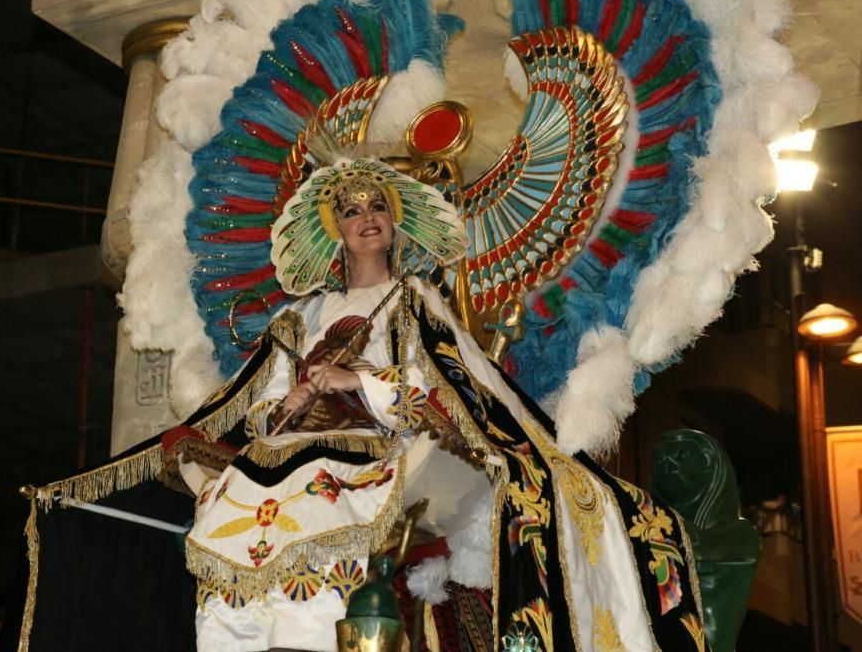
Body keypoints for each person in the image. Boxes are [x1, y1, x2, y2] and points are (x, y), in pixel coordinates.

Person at [169, 158, 707, 652]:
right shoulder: (302, 315)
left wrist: (357, 382)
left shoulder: (415, 302)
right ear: (335, 229)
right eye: (351, 210)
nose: (367, 217)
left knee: (321, 499)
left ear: (396, 221)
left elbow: (442, 390)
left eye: (378, 205)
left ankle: (316, 636)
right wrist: (288, 401)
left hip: (372, 447)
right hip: (287, 448)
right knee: (230, 499)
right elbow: (259, 407)